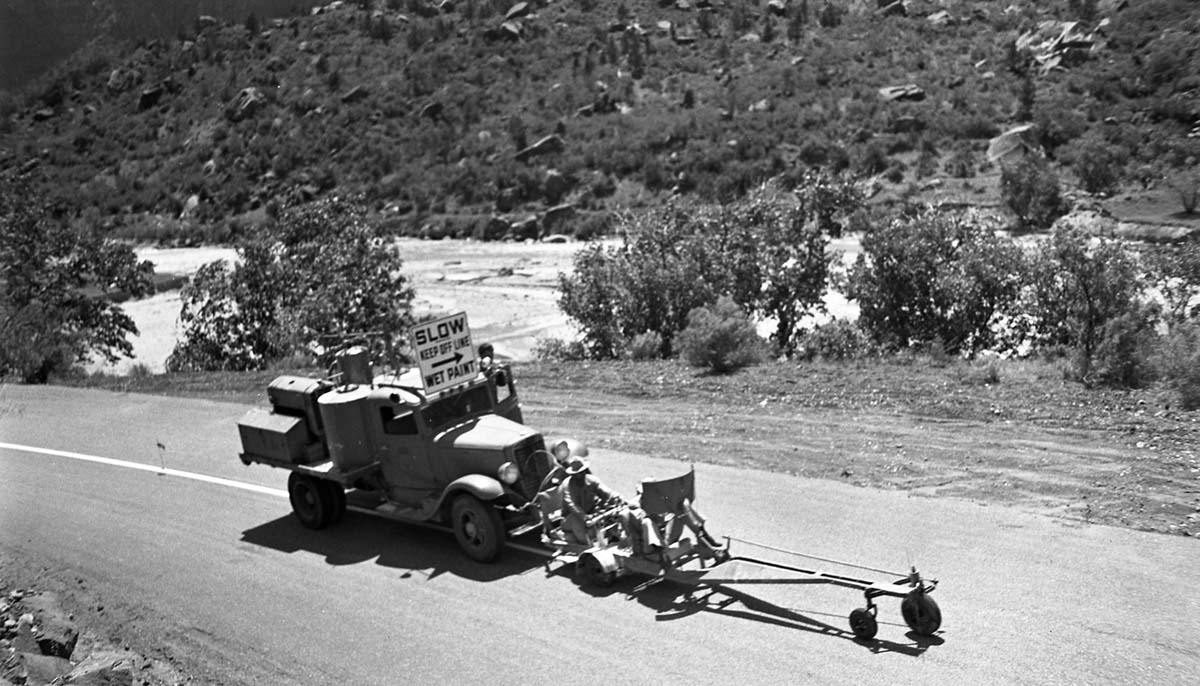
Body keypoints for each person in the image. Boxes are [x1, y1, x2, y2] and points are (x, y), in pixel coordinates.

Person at [560, 456, 661, 555]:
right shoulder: (567, 486)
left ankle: (621, 539)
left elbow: (606, 491)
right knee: (577, 524)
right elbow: (572, 506)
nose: (581, 475)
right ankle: (587, 549)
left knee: (613, 516)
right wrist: (584, 517)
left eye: (582, 472)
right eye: (578, 473)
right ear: (573, 474)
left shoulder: (591, 480)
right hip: (571, 517)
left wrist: (620, 499)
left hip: (591, 511)